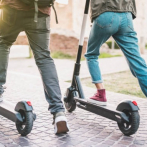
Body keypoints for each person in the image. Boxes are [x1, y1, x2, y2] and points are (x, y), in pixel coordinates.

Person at [0, 0, 69, 134]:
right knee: (44, 57)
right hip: (41, 12)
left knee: (3, 43)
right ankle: (59, 111)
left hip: (13, 10)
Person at [85, 0, 147, 106]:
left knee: (91, 54)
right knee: (137, 61)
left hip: (105, 13)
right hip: (126, 15)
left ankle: (100, 94)